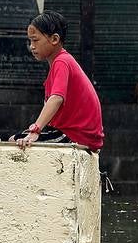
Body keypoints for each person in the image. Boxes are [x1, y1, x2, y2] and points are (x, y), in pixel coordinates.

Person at [10, 11, 104, 151]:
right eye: (30, 41)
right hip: (75, 133)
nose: (32, 46)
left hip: (76, 135)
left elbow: (56, 99)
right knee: (17, 139)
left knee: (17, 142)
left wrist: (36, 130)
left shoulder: (62, 62)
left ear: (54, 39)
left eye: (35, 40)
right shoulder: (60, 63)